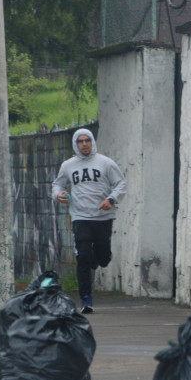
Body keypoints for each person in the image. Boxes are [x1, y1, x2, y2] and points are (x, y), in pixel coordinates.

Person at [52, 129, 126, 314]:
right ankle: (86, 299)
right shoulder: (68, 165)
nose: (84, 144)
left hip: (103, 216)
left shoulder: (106, 163)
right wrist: (58, 194)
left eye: (87, 140)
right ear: (75, 144)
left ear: (92, 142)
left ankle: (97, 259)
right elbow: (57, 184)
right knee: (83, 257)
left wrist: (111, 200)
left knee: (104, 258)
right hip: (80, 217)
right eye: (80, 141)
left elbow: (121, 183)